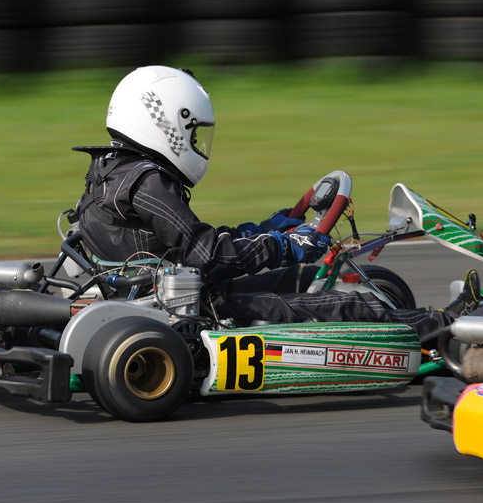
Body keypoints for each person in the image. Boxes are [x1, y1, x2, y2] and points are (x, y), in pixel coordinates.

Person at [71, 65, 453, 340]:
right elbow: (210, 256)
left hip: (170, 292)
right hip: (199, 308)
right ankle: (446, 329)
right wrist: (287, 245)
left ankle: (412, 319)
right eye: (194, 133)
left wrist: (270, 228)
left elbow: (188, 243)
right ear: (170, 123)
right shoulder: (147, 181)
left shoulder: (107, 174)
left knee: (305, 279)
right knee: (349, 306)